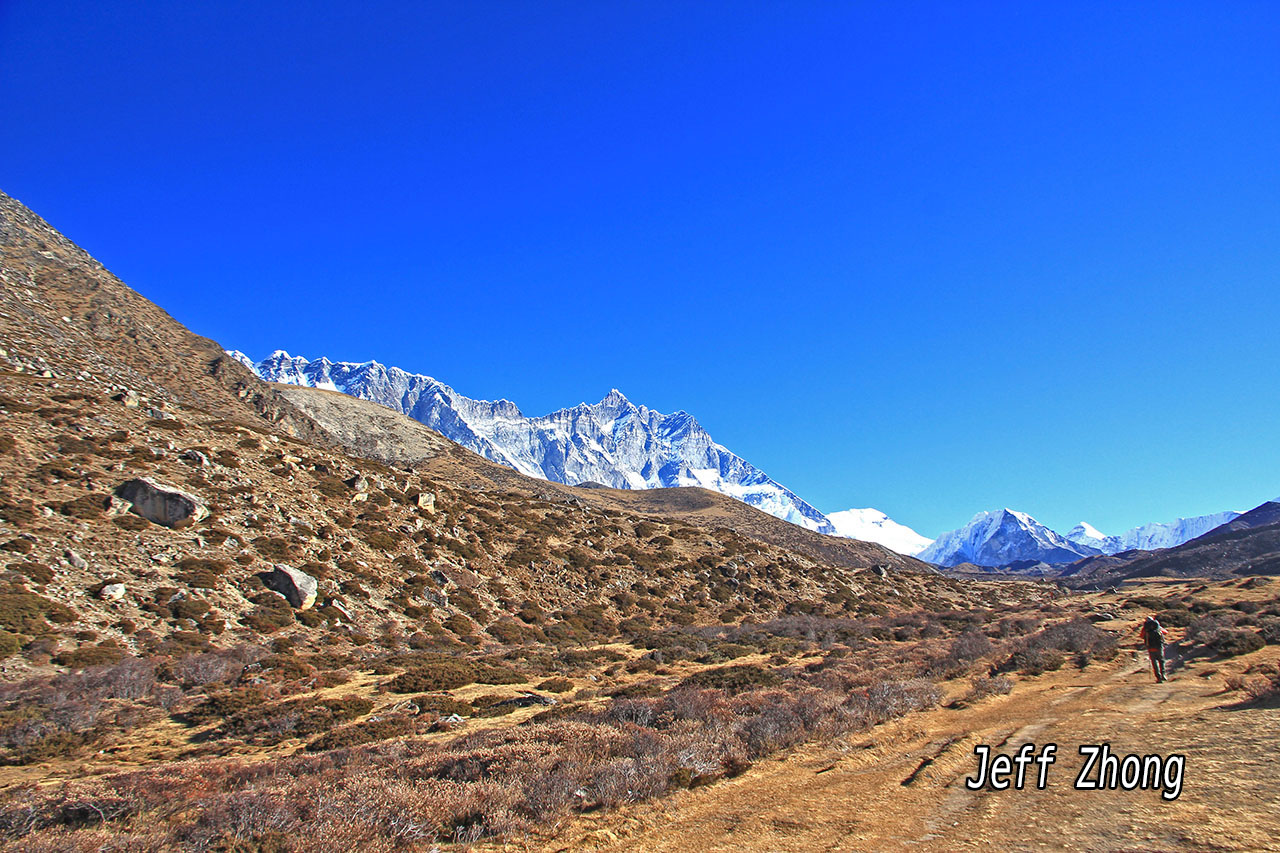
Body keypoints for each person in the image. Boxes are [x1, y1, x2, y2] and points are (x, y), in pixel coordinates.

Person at [1140, 615, 1167, 682]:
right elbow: (1166, 632)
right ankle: (1163, 675)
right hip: (1159, 647)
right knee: (1161, 661)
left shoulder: (1145, 629)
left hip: (1151, 648)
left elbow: (1141, 636)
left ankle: (1158, 678)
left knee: (1154, 663)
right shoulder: (1158, 627)